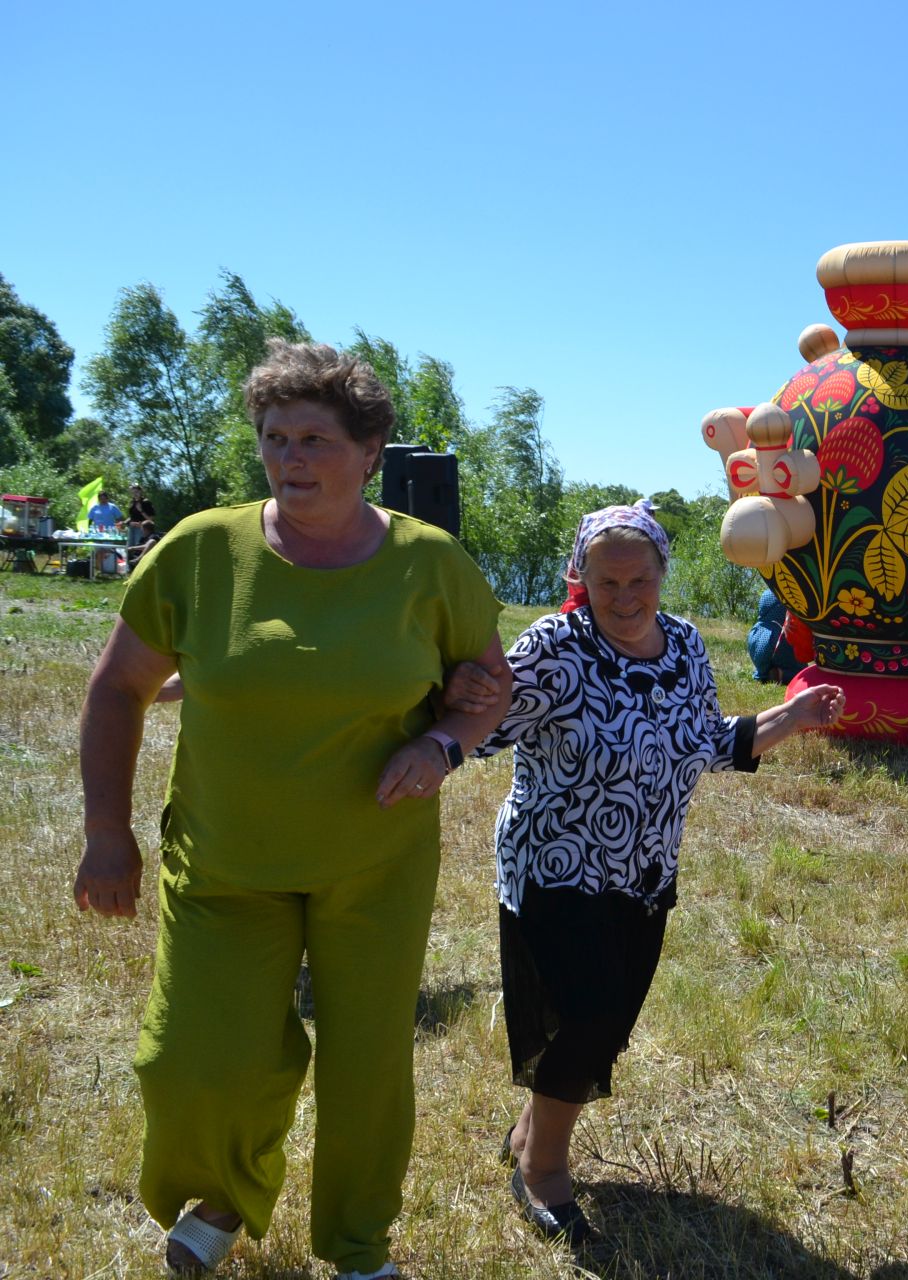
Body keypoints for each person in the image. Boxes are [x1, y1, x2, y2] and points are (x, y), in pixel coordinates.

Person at [73, 340, 509, 1279]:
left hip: (375, 864)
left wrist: (440, 746)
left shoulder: (430, 566)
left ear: (370, 451)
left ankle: (357, 1246)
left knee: (367, 1068)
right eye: (275, 438)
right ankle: (227, 1192)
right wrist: (107, 830)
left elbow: (488, 689)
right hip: (226, 862)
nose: (291, 458)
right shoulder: (200, 551)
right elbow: (117, 692)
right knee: (192, 1057)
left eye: (315, 438)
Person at [446, 503, 844, 1247]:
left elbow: (701, 741)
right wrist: (463, 692)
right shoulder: (557, 646)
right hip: (556, 864)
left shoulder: (686, 645)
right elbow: (488, 728)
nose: (625, 597)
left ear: (663, 574)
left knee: (603, 1028)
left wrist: (789, 718)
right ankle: (543, 1173)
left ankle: (532, 1129)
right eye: (607, 582)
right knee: (590, 1016)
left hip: (645, 869)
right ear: (579, 579)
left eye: (640, 580)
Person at [747, 586, 803, 683]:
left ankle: (762, 670)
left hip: (756, 637)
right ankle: (780, 674)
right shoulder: (790, 595)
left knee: (766, 657)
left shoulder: (767, 592)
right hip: (776, 640)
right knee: (802, 671)